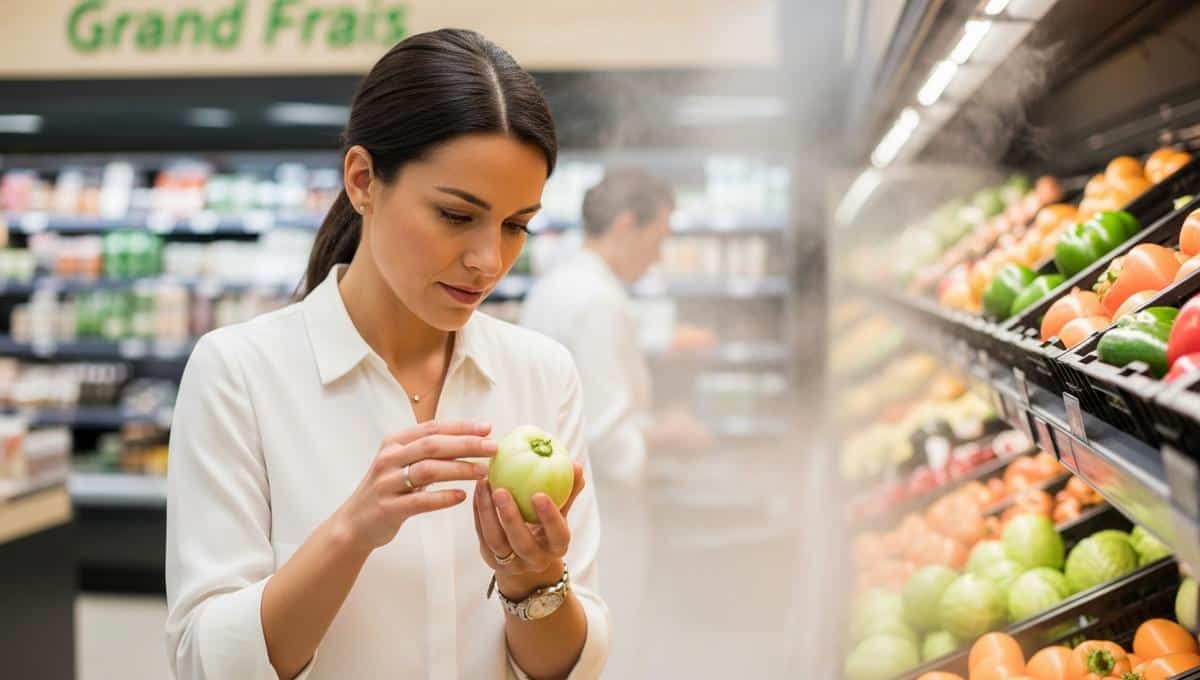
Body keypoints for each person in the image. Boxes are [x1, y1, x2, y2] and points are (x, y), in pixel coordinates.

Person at [165, 29, 609, 680]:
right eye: (458, 215)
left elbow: (569, 668)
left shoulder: (542, 372)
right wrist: (351, 531)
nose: (490, 261)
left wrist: (533, 581)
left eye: (517, 224)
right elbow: (208, 663)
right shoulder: (239, 373)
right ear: (363, 180)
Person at [520, 169, 711, 676]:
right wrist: (670, 434)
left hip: (556, 505)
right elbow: (610, 441)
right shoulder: (598, 303)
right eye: (659, 236)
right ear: (627, 224)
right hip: (602, 517)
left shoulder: (560, 285)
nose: (659, 254)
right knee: (606, 652)